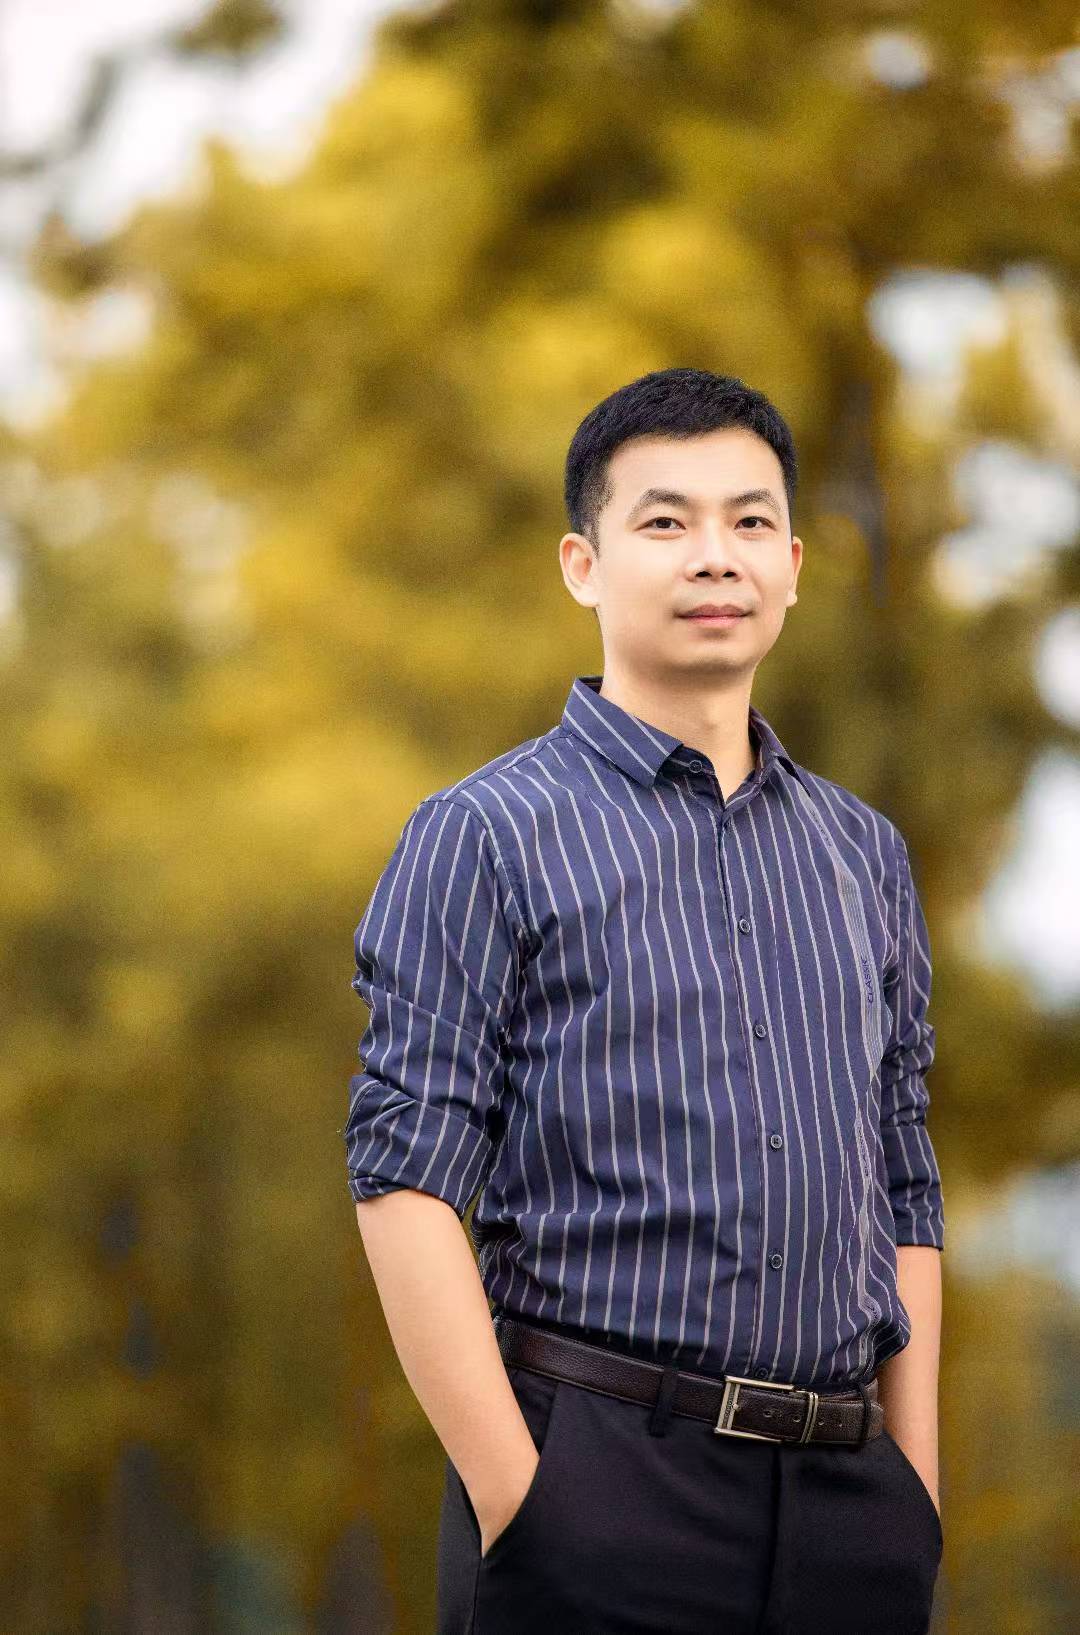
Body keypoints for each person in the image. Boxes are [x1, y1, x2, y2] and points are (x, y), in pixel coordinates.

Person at [344, 367, 945, 1634]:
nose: (714, 555)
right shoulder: (484, 835)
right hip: (598, 1482)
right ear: (584, 564)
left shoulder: (864, 854)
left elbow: (903, 1178)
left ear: (793, 565)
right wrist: (522, 1502)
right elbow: (405, 1178)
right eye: (666, 521)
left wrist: (914, 1497)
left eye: (749, 521)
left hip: (849, 1507)